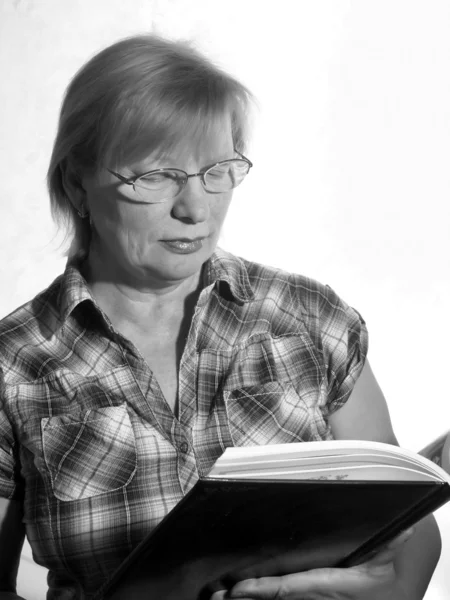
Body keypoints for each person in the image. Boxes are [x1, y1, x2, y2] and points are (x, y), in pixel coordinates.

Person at [0, 34, 441, 600]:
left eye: (218, 170)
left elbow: (406, 527)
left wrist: (387, 592)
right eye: (154, 176)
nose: (196, 208)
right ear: (76, 184)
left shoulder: (309, 317)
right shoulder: (15, 364)